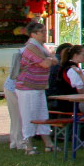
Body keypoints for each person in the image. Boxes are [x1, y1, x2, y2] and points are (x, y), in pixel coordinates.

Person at [14, 21, 56, 154]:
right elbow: (46, 63)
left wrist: (49, 59)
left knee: (42, 114)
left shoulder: (41, 47)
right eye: (42, 32)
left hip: (38, 86)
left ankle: (48, 144)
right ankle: (28, 146)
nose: (45, 34)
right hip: (27, 87)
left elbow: (54, 60)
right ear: (33, 34)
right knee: (29, 115)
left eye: (45, 31)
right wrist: (50, 59)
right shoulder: (31, 48)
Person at [3, 45, 24, 150]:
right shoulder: (27, 53)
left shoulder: (20, 52)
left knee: (15, 116)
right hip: (15, 87)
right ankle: (19, 142)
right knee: (19, 116)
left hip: (11, 86)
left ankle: (15, 141)